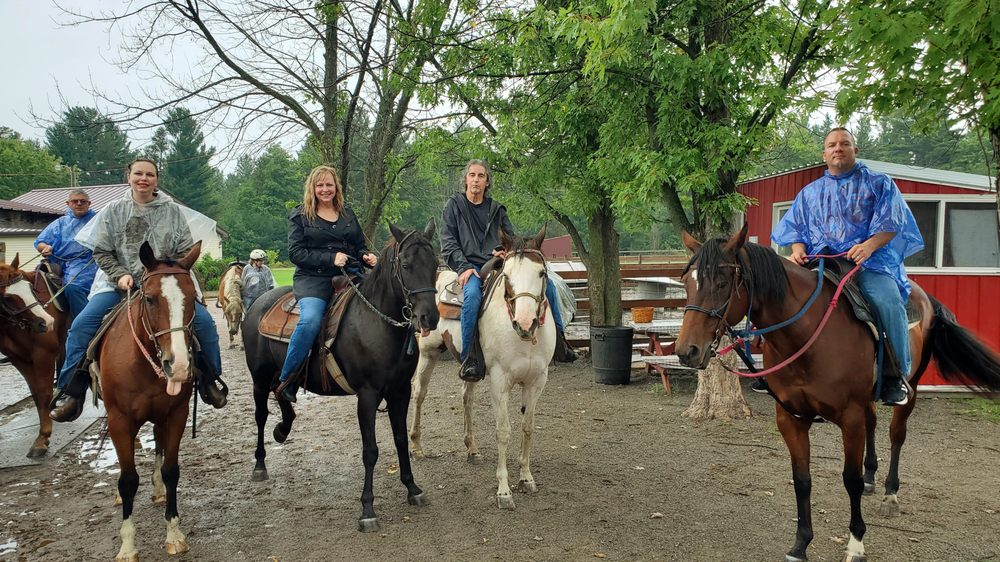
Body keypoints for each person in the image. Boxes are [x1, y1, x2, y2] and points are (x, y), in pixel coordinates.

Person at [49, 158, 229, 422]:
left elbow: (184, 249)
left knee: (204, 323)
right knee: (82, 324)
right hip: (120, 284)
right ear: (129, 176)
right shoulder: (114, 210)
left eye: (150, 174)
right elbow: (102, 251)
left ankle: (209, 380)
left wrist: (164, 273)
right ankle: (71, 390)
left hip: (164, 285)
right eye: (138, 173)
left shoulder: (172, 211)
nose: (143, 178)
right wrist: (120, 274)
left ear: (157, 179)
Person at [769, 127, 924, 406]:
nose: (837, 148)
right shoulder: (809, 193)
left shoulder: (879, 184)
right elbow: (795, 230)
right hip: (821, 262)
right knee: (779, 296)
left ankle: (894, 375)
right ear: (824, 154)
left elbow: (892, 224)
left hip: (870, 263)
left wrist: (869, 246)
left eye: (844, 143)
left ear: (856, 150)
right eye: (831, 145)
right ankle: (776, 371)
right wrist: (798, 250)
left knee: (887, 301)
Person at [440, 159, 577, 382]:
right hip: (470, 267)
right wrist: (463, 266)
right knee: (473, 296)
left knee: (548, 284)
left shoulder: (496, 209)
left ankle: (561, 342)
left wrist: (503, 251)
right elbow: (448, 241)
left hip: (498, 262)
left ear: (487, 182)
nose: (476, 180)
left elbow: (510, 239)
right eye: (472, 175)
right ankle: (470, 358)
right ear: (465, 180)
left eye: (481, 176)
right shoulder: (454, 207)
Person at [273, 165, 377, 403]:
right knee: (309, 321)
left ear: (336, 187)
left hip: (349, 275)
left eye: (329, 184)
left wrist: (366, 256)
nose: (325, 189)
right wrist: (330, 258)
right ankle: (288, 379)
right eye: (320, 185)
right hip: (314, 279)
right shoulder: (300, 216)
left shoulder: (348, 214)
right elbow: (296, 253)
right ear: (312, 188)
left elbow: (358, 245)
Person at [34, 189, 98, 320]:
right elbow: (40, 242)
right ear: (68, 203)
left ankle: (85, 323)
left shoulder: (97, 220)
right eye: (75, 201)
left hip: (87, 263)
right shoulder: (59, 223)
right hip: (57, 262)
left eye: (83, 201)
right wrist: (45, 247)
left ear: (89, 203)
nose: (79, 203)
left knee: (73, 287)